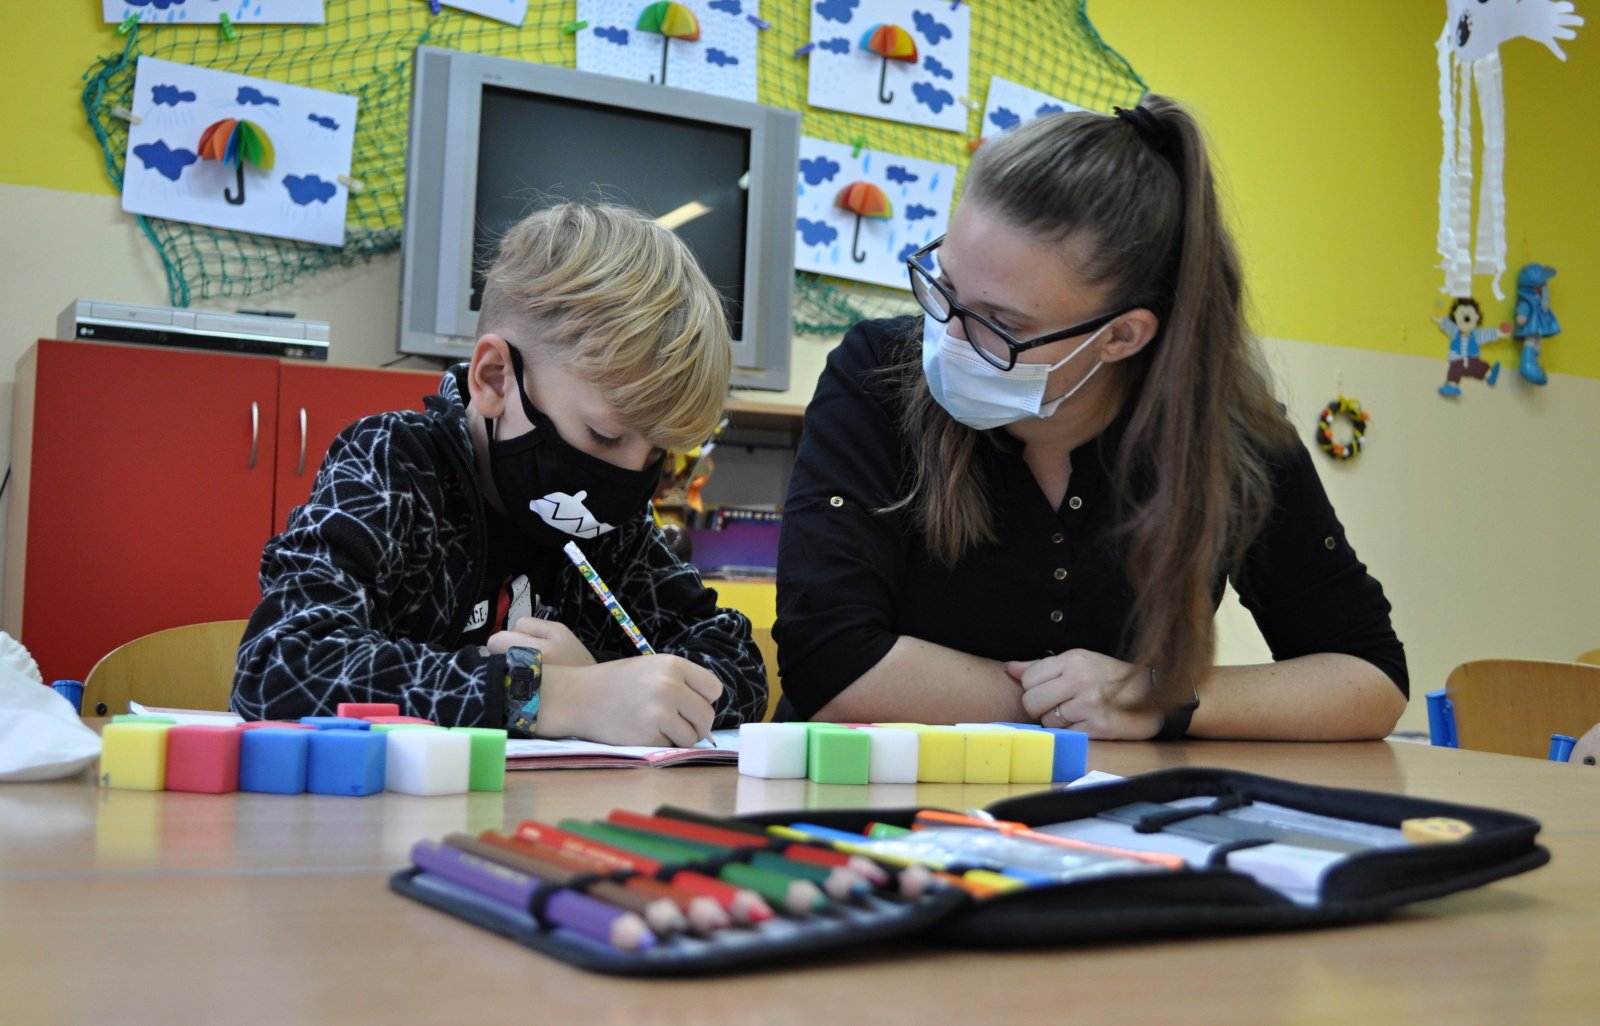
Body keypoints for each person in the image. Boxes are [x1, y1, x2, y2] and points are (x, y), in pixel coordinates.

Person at [774, 97, 1408, 741]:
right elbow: (830, 664)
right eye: (944, 286)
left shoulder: (1227, 435)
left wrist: (1158, 696)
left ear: (1122, 337)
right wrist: (1078, 704)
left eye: (1002, 324)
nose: (951, 337)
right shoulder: (877, 373)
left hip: (1103, 822)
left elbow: (1369, 677)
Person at [233, 203, 768, 746]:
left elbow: (739, 669)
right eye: (604, 436)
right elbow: (282, 665)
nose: (632, 477)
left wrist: (598, 675)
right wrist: (552, 695)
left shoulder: (612, 527)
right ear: (494, 378)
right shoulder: (394, 462)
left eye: (659, 454)